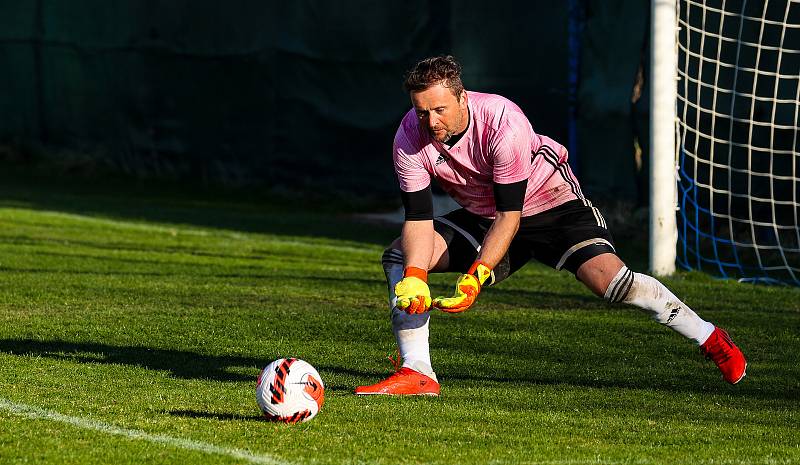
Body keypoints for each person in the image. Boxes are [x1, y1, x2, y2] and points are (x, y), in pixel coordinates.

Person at [354, 56, 746, 396]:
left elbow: (512, 215)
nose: (430, 120)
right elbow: (419, 218)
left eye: (439, 109)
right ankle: (418, 372)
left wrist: (475, 278)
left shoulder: (503, 122)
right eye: (422, 111)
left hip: (552, 205)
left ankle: (710, 337)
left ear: (462, 97)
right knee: (399, 257)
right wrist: (415, 275)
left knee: (613, 284)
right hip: (485, 213)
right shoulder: (409, 135)